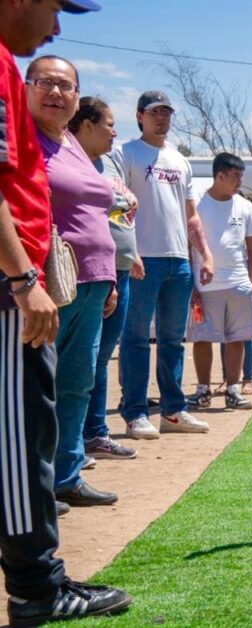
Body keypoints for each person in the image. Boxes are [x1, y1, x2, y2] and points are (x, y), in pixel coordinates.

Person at [0, 0, 133, 623]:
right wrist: (24, 279)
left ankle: (39, 578)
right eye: (53, 8)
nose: (54, 25)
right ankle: (37, 588)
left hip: (44, 285)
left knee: (41, 420)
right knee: (23, 436)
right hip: (17, 291)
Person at [28, 55, 122, 508]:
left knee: (76, 382)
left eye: (66, 86)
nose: (56, 93)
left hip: (94, 282)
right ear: (25, 89)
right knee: (35, 387)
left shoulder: (70, 144)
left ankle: (66, 476)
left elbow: (96, 208)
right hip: (47, 283)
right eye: (45, 83)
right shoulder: (24, 142)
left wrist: (109, 277)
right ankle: (31, 486)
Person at [114, 90, 214, 438]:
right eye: (155, 112)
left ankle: (173, 411)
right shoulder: (125, 153)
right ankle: (135, 413)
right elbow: (116, 208)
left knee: (173, 340)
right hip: (143, 260)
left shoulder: (180, 160)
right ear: (139, 115)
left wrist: (205, 254)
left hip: (177, 261)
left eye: (167, 112)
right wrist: (130, 251)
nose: (162, 118)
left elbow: (191, 216)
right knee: (136, 339)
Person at [70, 96, 141, 464]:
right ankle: (74, 442)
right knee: (83, 359)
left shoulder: (108, 162)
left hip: (121, 270)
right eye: (109, 124)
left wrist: (133, 254)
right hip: (92, 274)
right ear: (86, 126)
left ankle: (94, 434)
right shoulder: (70, 161)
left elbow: (119, 216)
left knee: (99, 359)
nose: (115, 131)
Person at [183, 153, 252, 412]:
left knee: (237, 338)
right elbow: (187, 242)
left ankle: (233, 390)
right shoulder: (197, 204)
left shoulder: (246, 207)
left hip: (238, 283)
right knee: (202, 339)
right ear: (219, 176)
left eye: (241, 175)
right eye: (235, 176)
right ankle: (203, 391)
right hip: (204, 284)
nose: (240, 181)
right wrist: (191, 282)